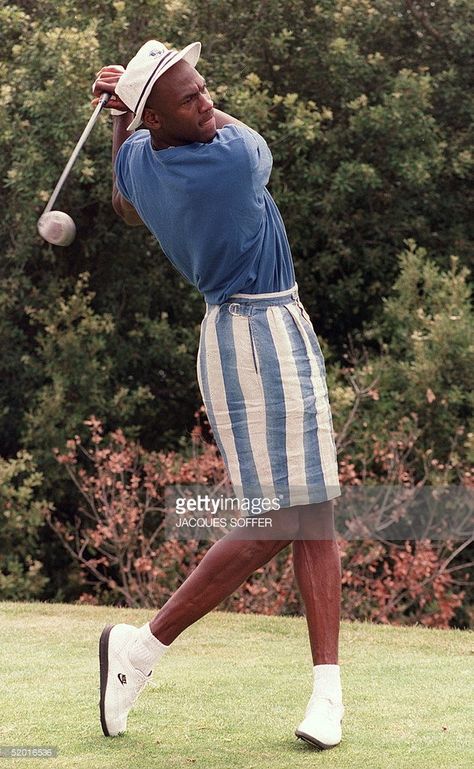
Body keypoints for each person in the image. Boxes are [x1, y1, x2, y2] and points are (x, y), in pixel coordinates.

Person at [92, 39, 344, 750]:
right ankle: (141, 648)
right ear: (161, 122)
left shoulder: (142, 157)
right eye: (190, 99)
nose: (207, 103)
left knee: (314, 505)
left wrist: (123, 116)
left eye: (206, 89)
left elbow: (122, 200)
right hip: (255, 334)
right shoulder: (233, 160)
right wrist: (131, 106)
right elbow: (244, 137)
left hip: (264, 325)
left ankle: (327, 692)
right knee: (278, 520)